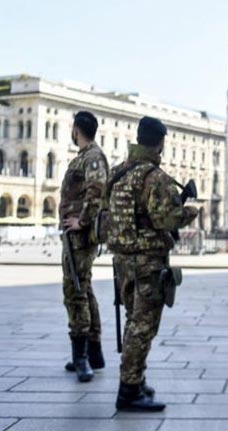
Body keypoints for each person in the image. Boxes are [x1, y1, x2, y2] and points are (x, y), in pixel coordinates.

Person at [107, 116, 197, 412]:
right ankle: (129, 391)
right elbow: (166, 219)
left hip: (122, 260)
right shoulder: (154, 177)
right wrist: (188, 213)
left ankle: (137, 380)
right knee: (143, 326)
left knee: (134, 322)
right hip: (146, 262)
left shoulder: (118, 173)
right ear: (160, 143)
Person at [59, 111, 107, 382]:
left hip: (80, 237)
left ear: (77, 129)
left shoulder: (92, 157)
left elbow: (97, 190)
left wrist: (82, 221)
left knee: (75, 290)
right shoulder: (85, 156)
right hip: (73, 237)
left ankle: (82, 358)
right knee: (84, 289)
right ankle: (92, 353)